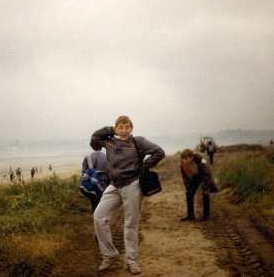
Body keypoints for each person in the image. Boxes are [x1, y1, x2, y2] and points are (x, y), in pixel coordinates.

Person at [91, 116, 165, 274]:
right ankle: (110, 254)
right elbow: (95, 137)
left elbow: (159, 152)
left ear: (131, 128)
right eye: (120, 127)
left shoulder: (138, 142)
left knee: (130, 223)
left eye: (127, 127)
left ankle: (131, 260)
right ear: (116, 129)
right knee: (98, 217)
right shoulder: (110, 141)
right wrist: (110, 130)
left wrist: (143, 166)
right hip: (114, 186)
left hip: (132, 185)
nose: (124, 131)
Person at [180, 149, 217, 222]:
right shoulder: (183, 164)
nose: (184, 160)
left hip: (204, 177)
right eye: (183, 159)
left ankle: (206, 216)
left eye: (185, 159)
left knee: (205, 193)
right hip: (194, 178)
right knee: (189, 193)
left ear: (191, 157)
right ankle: (190, 215)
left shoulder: (202, 161)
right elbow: (185, 177)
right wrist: (188, 187)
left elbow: (208, 174)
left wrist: (205, 186)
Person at [81, 144, 108, 213]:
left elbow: (84, 172)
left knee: (93, 199)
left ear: (92, 147)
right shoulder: (106, 157)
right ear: (102, 147)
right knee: (102, 200)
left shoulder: (88, 157)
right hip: (103, 182)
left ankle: (94, 214)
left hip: (91, 182)